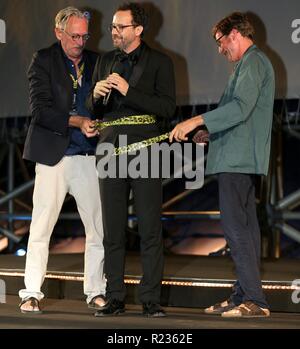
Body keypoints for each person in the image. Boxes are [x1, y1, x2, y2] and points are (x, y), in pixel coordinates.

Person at [170, 12, 274, 318]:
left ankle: (255, 299)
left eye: (221, 42)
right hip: (237, 156)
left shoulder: (253, 62)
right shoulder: (247, 64)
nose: (220, 50)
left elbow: (241, 108)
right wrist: (208, 132)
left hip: (238, 160)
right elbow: (236, 112)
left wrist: (195, 121)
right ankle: (243, 295)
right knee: (246, 229)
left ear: (235, 35)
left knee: (236, 229)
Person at [87, 2, 176, 317]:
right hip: (109, 148)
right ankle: (115, 296)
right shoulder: (104, 61)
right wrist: (94, 96)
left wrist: (128, 90)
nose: (114, 31)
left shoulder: (160, 62)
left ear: (138, 29)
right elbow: (95, 112)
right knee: (112, 228)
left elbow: (167, 108)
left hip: (146, 149)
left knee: (150, 227)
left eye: (120, 26)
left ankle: (150, 299)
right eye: (112, 26)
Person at [19, 7, 106, 313]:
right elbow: (40, 110)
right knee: (41, 228)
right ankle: (31, 292)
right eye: (74, 35)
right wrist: (77, 121)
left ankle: (96, 291)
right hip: (52, 156)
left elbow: (107, 106)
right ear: (59, 33)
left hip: (88, 155)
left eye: (85, 35)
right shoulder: (43, 60)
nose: (80, 41)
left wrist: (100, 123)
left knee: (97, 229)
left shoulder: (98, 61)